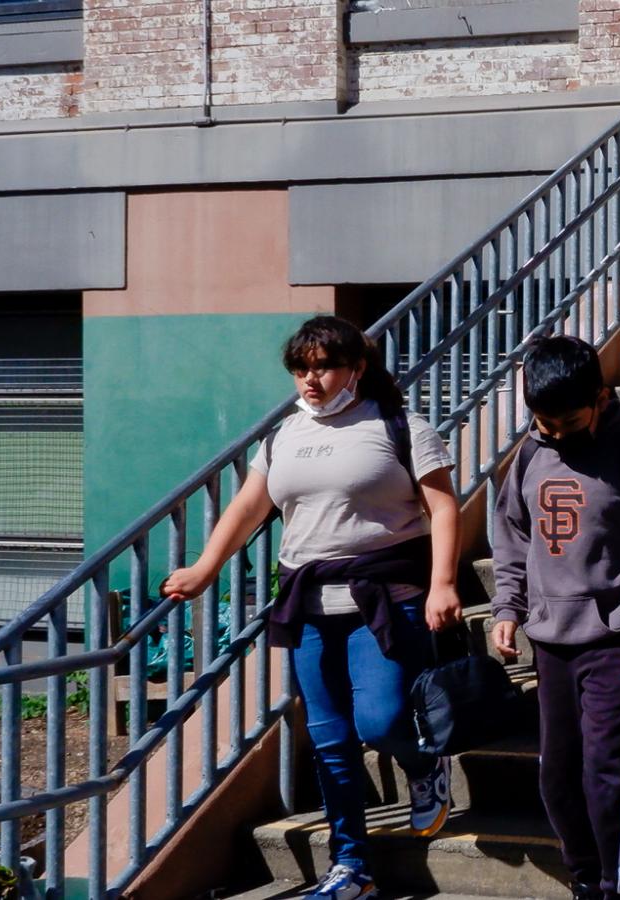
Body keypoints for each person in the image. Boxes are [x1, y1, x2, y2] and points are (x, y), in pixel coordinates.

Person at [162, 316, 467, 900]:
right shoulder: (283, 436)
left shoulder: (400, 426)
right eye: (300, 369)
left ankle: (425, 764)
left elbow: (443, 507)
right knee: (329, 740)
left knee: (381, 722)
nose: (310, 379)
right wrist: (205, 568)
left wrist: (443, 582)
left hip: (385, 599)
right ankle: (352, 867)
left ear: (356, 368)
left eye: (322, 366)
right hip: (307, 604)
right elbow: (250, 509)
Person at [488, 336, 620, 900]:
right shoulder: (530, 457)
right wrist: (507, 608)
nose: (556, 431)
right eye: (543, 421)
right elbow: (511, 538)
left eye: (569, 420)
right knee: (557, 779)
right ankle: (585, 879)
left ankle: (617, 886)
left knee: (606, 773)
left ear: (601, 398)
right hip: (551, 642)